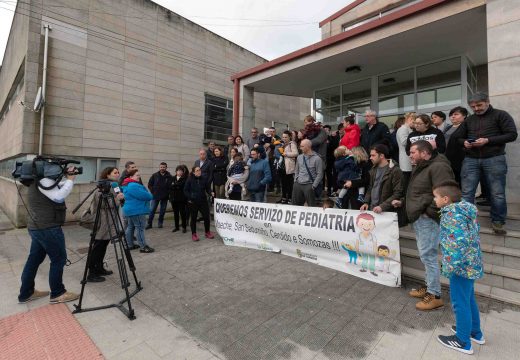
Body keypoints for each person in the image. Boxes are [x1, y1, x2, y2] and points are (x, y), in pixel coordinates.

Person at [433, 181, 484, 355]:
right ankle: (475, 332)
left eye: (436, 197)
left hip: (461, 267)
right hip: (471, 263)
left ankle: (463, 341)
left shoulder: (451, 216)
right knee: (468, 298)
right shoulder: (465, 211)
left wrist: (449, 267)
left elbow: (457, 244)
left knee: (459, 302)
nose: (434, 200)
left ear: (445, 199)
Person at [458, 92, 518, 235]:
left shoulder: (500, 115)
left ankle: (498, 221)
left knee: (497, 192)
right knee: (467, 192)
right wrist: (464, 143)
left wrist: (488, 141)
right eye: (473, 106)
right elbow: (458, 137)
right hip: (471, 159)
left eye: (479, 105)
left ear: (487, 101)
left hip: (494, 157)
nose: (476, 108)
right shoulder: (469, 120)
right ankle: (466, 221)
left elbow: (512, 134)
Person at [18, 166, 79, 304]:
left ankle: (26, 292)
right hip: (48, 228)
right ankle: (58, 293)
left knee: (33, 260)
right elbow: (58, 196)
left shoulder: (38, 181)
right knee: (58, 259)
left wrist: (68, 180)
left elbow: (56, 187)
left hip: (38, 227)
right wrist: (70, 179)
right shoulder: (43, 181)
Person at [405, 140, 454, 311]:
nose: (409, 155)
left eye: (412, 152)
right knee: (426, 255)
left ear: (425, 153)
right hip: (421, 217)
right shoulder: (423, 166)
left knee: (428, 256)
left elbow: (446, 194)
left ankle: (434, 295)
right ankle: (429, 286)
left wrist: (427, 211)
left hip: (429, 218)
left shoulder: (439, 166)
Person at [87, 166, 123, 283]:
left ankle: (100, 268)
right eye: (115, 172)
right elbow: (103, 204)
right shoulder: (101, 188)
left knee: (103, 247)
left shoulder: (114, 186)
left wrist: (121, 199)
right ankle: (91, 273)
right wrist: (118, 199)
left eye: (118, 172)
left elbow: (117, 201)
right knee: (97, 247)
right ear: (107, 175)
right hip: (102, 222)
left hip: (111, 221)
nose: (117, 174)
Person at [360, 144, 403, 214]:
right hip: (372, 209)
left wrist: (382, 206)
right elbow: (371, 187)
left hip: (386, 212)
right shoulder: (373, 169)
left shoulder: (395, 170)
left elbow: (398, 193)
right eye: (370, 155)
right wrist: (366, 202)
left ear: (382, 156)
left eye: (373, 155)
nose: (370, 158)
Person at [122, 170, 155, 253]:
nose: (139, 177)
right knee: (140, 228)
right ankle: (143, 247)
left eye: (139, 175)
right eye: (137, 175)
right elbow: (146, 196)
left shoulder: (127, 185)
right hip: (136, 210)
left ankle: (130, 245)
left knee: (130, 227)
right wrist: (150, 194)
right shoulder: (133, 185)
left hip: (130, 210)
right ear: (130, 177)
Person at [184, 166, 215, 241]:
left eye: (199, 170)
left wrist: (211, 192)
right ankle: (194, 234)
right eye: (197, 170)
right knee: (193, 218)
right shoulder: (190, 179)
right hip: (193, 202)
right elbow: (185, 190)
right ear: (194, 172)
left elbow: (207, 188)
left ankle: (207, 232)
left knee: (206, 217)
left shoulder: (203, 179)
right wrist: (190, 197)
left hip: (203, 201)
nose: (199, 171)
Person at [292, 139, 324, 206]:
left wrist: (313, 186)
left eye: (302, 146)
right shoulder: (299, 157)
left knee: (311, 206)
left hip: (309, 185)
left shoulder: (317, 158)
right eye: (300, 146)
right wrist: (295, 180)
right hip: (298, 184)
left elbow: (320, 174)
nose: (300, 148)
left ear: (308, 147)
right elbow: (297, 170)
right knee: (295, 205)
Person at [445, 106, 469, 184]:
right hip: (447, 157)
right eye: (451, 115)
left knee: (461, 180)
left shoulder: (466, 126)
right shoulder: (448, 127)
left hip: (460, 158)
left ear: (464, 116)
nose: (453, 116)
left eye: (456, 114)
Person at [146, 162, 173, 229]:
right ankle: (149, 224)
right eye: (161, 167)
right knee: (152, 210)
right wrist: (153, 191)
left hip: (165, 197)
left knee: (162, 211)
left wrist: (168, 193)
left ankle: (160, 223)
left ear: (166, 168)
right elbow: (149, 184)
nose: (162, 168)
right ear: (159, 167)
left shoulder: (169, 176)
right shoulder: (155, 175)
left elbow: (171, 187)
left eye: (164, 167)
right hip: (155, 196)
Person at [396, 112, 415, 193]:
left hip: (407, 159)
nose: (415, 124)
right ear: (409, 119)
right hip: (406, 160)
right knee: (406, 183)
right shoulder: (403, 129)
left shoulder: (407, 129)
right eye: (414, 122)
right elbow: (404, 142)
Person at [277, 130, 298, 204]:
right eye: (283, 137)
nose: (284, 138)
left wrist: (286, 154)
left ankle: (289, 198)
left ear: (290, 137)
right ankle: (283, 198)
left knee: (289, 184)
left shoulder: (292, 144)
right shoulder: (282, 144)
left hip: (288, 167)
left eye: (286, 137)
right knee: (283, 183)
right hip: (282, 166)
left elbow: (296, 153)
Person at [170, 165, 188, 233]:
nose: (179, 172)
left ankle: (184, 227)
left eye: (181, 171)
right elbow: (170, 187)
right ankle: (176, 227)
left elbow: (182, 186)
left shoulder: (185, 178)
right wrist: (176, 185)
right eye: (178, 170)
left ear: (183, 172)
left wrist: (175, 185)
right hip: (173, 199)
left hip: (181, 199)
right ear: (176, 171)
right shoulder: (172, 178)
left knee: (182, 213)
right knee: (175, 213)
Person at [324, 124, 340, 197]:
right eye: (324, 130)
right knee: (326, 175)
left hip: (332, 159)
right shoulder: (322, 138)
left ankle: (332, 190)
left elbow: (333, 146)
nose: (326, 131)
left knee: (332, 175)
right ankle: (327, 189)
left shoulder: (333, 137)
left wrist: (329, 139)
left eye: (327, 130)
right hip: (325, 159)